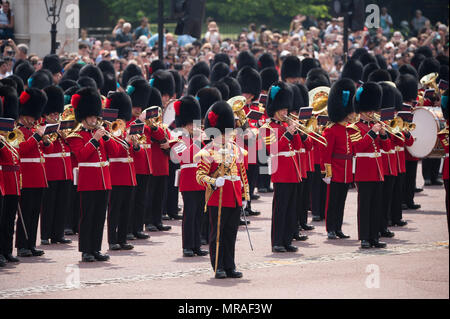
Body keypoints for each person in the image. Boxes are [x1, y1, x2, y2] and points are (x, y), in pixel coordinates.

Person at [196, 100, 249, 279]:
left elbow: (242, 173)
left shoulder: (236, 150)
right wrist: (213, 181)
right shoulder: (208, 151)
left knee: (231, 234)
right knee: (217, 235)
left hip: (233, 195)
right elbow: (200, 176)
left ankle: (230, 265)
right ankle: (218, 266)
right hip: (217, 196)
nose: (229, 135)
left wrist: (245, 194)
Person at [66, 87, 119, 262]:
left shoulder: (101, 133)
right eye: (91, 117)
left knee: (99, 217)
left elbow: (116, 151)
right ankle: (86, 250)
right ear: (83, 117)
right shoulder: (76, 135)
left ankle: (96, 248)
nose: (94, 119)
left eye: (96, 116)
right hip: (88, 181)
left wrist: (106, 137)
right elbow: (81, 156)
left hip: (104, 181)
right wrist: (95, 139)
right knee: (87, 217)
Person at [259, 81, 305, 253]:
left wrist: (298, 132)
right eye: (283, 109)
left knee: (292, 208)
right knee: (281, 208)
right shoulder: (267, 128)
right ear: (275, 109)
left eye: (286, 109)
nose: (286, 112)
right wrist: (288, 134)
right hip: (281, 171)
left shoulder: (286, 126)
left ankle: (287, 240)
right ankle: (277, 241)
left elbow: (300, 147)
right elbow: (273, 149)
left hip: (294, 171)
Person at [348, 82, 390, 249]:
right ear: (361, 110)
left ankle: (374, 236)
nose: (372, 113)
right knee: (365, 205)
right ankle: (364, 237)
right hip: (364, 171)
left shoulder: (375, 127)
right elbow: (358, 148)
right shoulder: (354, 128)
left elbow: (386, 148)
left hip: (377, 170)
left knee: (376, 205)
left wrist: (383, 133)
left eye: (373, 110)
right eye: (369, 110)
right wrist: (373, 132)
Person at [171, 96, 208, 257]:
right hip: (188, 180)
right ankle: (187, 246)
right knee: (189, 214)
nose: (196, 126)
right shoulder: (178, 138)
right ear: (185, 123)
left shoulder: (198, 138)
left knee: (199, 213)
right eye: (193, 123)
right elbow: (185, 157)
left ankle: (196, 245)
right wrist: (199, 141)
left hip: (200, 179)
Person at [16, 88, 49, 258]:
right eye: (30, 116)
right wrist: (37, 137)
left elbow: (42, 150)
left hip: (38, 176)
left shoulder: (33, 129)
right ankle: (22, 245)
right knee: (26, 211)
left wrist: (44, 140)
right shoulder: (18, 130)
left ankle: (31, 244)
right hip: (27, 177)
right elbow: (21, 150)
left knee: (35, 212)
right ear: (22, 115)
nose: (32, 120)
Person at [322, 78, 356, 239]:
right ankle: (330, 228)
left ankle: (338, 228)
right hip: (335, 170)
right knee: (332, 201)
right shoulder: (331, 130)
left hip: (346, 169)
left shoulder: (349, 129)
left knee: (341, 202)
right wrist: (327, 173)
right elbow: (326, 154)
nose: (353, 114)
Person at [40, 86, 73, 246]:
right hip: (51, 171)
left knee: (62, 204)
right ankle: (45, 235)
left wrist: (64, 135)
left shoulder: (63, 127)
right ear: (45, 114)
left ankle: (58, 234)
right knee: (49, 204)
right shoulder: (43, 128)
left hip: (65, 171)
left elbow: (72, 148)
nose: (55, 116)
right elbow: (48, 149)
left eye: (56, 114)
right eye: (52, 114)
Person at [0, 85, 20, 265]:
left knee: (9, 220)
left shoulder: (10, 138)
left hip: (12, 183)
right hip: (3, 181)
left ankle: (7, 250)